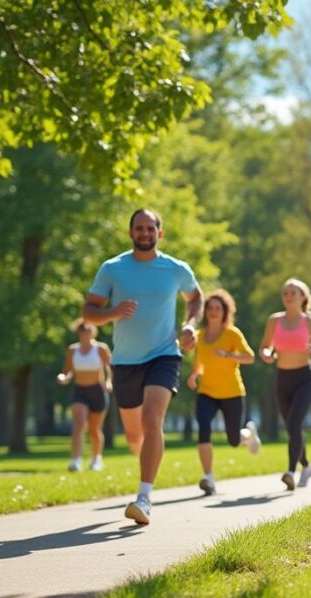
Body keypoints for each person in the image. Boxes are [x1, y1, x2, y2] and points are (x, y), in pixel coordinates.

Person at [83, 208, 202, 525]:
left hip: (165, 354)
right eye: (139, 228)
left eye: (151, 228)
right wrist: (113, 312)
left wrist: (190, 325)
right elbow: (89, 312)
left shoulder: (175, 269)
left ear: (160, 233)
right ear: (130, 232)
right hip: (125, 361)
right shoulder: (113, 269)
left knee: (153, 421)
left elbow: (195, 298)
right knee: (136, 437)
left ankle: (144, 497)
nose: (145, 233)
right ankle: (145, 462)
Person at [186, 289, 261, 496]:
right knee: (203, 427)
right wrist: (193, 375)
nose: (213, 311)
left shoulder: (232, 334)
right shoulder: (199, 336)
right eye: (210, 308)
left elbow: (250, 357)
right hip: (207, 392)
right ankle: (208, 477)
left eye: (218, 308)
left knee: (233, 441)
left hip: (232, 392)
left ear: (225, 311)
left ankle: (247, 435)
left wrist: (228, 355)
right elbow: (199, 363)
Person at [258, 278, 311, 490]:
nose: (288, 297)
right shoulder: (274, 320)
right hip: (282, 378)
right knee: (292, 428)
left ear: (303, 298)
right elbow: (264, 347)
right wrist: (267, 354)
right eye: (285, 293)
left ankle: (290, 471)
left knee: (294, 424)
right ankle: (306, 465)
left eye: (293, 293)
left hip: (305, 379)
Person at [55, 320, 112, 472]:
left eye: (88, 331)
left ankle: (96, 459)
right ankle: (76, 460)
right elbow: (67, 370)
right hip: (80, 391)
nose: (85, 334)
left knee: (94, 430)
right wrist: (63, 377)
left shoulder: (100, 349)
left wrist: (109, 382)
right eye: (82, 331)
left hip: (97, 391)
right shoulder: (73, 350)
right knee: (79, 425)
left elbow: (109, 368)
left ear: (92, 332)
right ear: (79, 333)